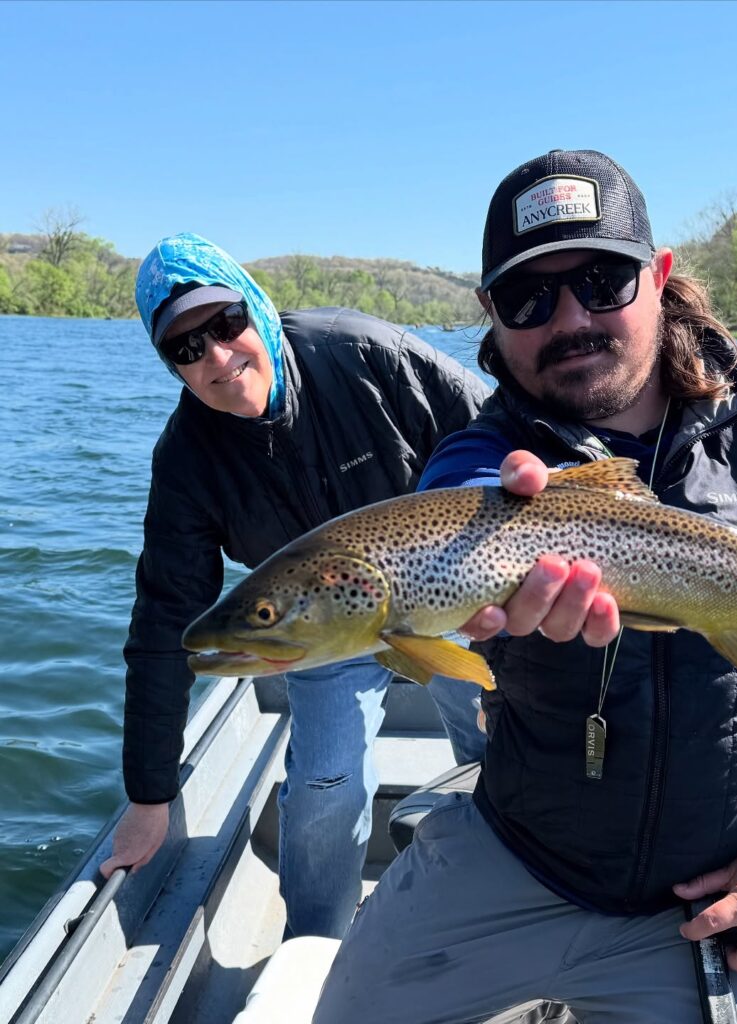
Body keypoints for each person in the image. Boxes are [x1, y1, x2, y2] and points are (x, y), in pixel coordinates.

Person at [313, 150, 737, 1022]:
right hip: (522, 855)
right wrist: (486, 527)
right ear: (491, 314)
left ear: (660, 276)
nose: (570, 318)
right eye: (528, 297)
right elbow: (458, 501)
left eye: (602, 280)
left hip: (722, 891)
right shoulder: (485, 460)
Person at [99, 233, 489, 940]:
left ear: (257, 307)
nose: (218, 355)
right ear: (172, 367)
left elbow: (500, 430)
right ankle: (314, 947)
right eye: (187, 348)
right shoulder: (186, 461)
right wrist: (149, 796)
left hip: (450, 596)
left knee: (502, 732)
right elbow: (165, 624)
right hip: (314, 633)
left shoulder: (365, 353)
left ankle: (509, 882)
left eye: (226, 323)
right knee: (323, 789)